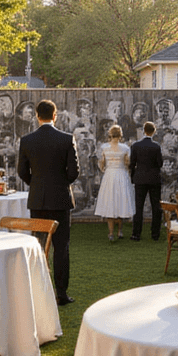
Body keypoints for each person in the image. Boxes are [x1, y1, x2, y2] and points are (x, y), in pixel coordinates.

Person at [17, 99, 80, 306]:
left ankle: (38, 290)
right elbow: (74, 172)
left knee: (39, 246)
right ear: (55, 115)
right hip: (61, 199)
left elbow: (22, 172)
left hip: (38, 199)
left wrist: (36, 184)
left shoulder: (27, 140)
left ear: (37, 116)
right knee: (61, 247)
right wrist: (61, 184)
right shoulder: (67, 139)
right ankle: (61, 293)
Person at [94, 124, 136, 241]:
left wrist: (105, 168)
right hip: (121, 175)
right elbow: (128, 163)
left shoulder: (104, 147)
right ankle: (120, 231)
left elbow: (101, 163)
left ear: (110, 134)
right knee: (120, 202)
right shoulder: (125, 148)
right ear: (121, 134)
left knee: (110, 202)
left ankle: (111, 233)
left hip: (110, 175)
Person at [129, 120, 164, 241]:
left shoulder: (135, 145)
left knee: (138, 207)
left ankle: (136, 234)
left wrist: (133, 177)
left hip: (140, 179)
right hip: (154, 179)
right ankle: (155, 234)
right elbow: (160, 163)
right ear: (154, 131)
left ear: (144, 131)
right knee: (156, 207)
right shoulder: (156, 146)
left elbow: (132, 164)